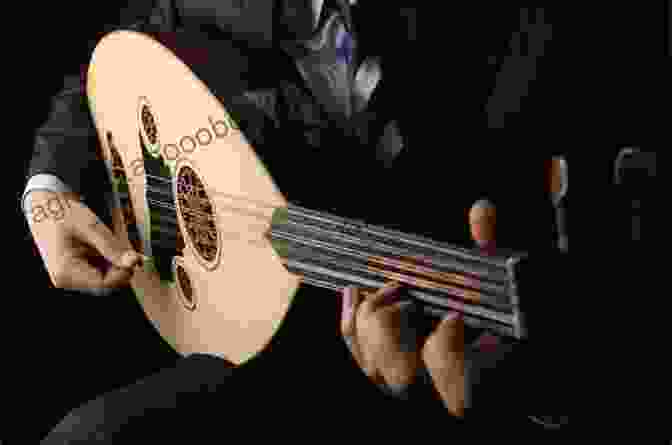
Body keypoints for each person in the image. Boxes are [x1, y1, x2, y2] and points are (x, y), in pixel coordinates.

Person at [23, 1, 562, 442]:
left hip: (385, 332)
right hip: (249, 315)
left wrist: (524, 392)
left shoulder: (520, 37)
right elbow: (130, 41)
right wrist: (48, 192)